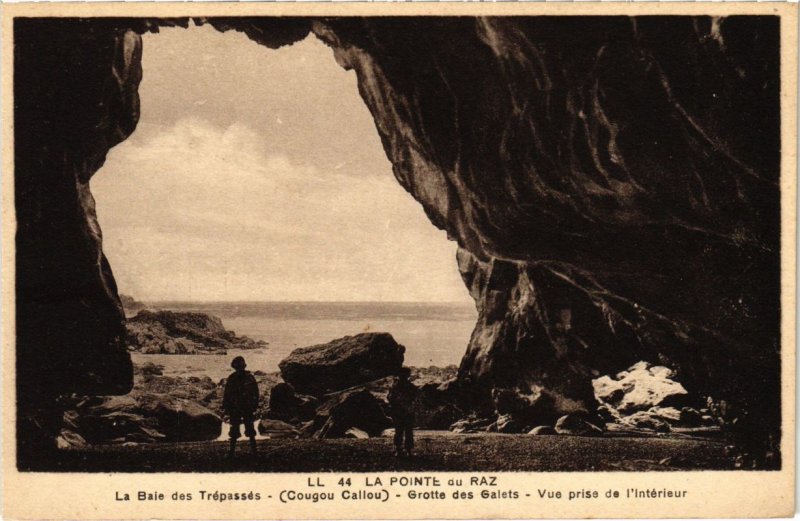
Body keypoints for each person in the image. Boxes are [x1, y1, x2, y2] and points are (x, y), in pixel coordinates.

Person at [222, 356, 260, 457]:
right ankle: (252, 452)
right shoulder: (245, 377)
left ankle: (236, 452)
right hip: (238, 407)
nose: (240, 367)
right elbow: (227, 394)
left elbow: (255, 393)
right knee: (238, 430)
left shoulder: (239, 377)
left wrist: (226, 408)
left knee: (247, 430)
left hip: (243, 407)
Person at [388, 367, 417, 457]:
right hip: (407, 411)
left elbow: (390, 398)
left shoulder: (395, 387)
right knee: (408, 431)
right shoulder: (411, 387)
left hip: (399, 411)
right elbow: (415, 399)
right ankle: (408, 450)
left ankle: (399, 449)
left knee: (399, 431)